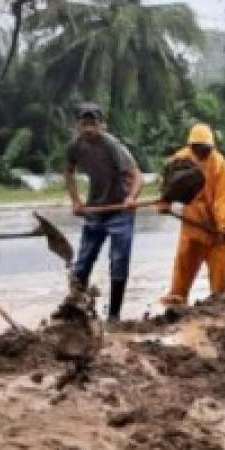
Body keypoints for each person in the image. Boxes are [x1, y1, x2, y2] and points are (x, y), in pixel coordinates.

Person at [65, 104, 144, 322]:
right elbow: (68, 172)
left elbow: (137, 175)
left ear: (102, 124)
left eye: (94, 122)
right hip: (96, 207)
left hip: (120, 208)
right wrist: (76, 201)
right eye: (84, 123)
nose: (89, 127)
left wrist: (131, 198)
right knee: (83, 261)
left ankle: (114, 316)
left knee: (118, 261)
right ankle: (76, 313)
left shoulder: (111, 145)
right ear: (78, 125)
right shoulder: (75, 146)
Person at [160, 124, 225, 306]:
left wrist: (224, 226)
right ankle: (176, 304)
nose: (202, 152)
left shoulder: (218, 163)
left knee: (219, 281)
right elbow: (168, 185)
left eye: (206, 149)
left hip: (215, 228)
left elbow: (223, 197)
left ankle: (218, 304)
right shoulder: (181, 160)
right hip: (192, 225)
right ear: (191, 147)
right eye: (198, 148)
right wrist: (165, 202)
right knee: (182, 271)